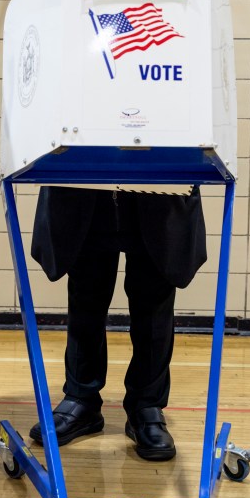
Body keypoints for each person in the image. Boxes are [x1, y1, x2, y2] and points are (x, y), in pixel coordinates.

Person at [28, 186, 207, 461]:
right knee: (85, 298)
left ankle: (146, 406)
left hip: (158, 186)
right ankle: (81, 399)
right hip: (86, 182)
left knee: (154, 305)